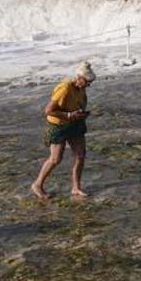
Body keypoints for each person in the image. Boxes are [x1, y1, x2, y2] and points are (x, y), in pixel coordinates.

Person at [31, 62, 96, 199]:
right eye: (87, 82)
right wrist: (68, 115)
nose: (88, 85)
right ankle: (37, 185)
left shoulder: (81, 88)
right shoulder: (65, 88)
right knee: (55, 159)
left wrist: (81, 114)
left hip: (75, 124)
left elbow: (77, 105)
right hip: (59, 125)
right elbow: (48, 110)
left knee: (80, 155)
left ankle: (76, 187)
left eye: (90, 82)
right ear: (79, 77)